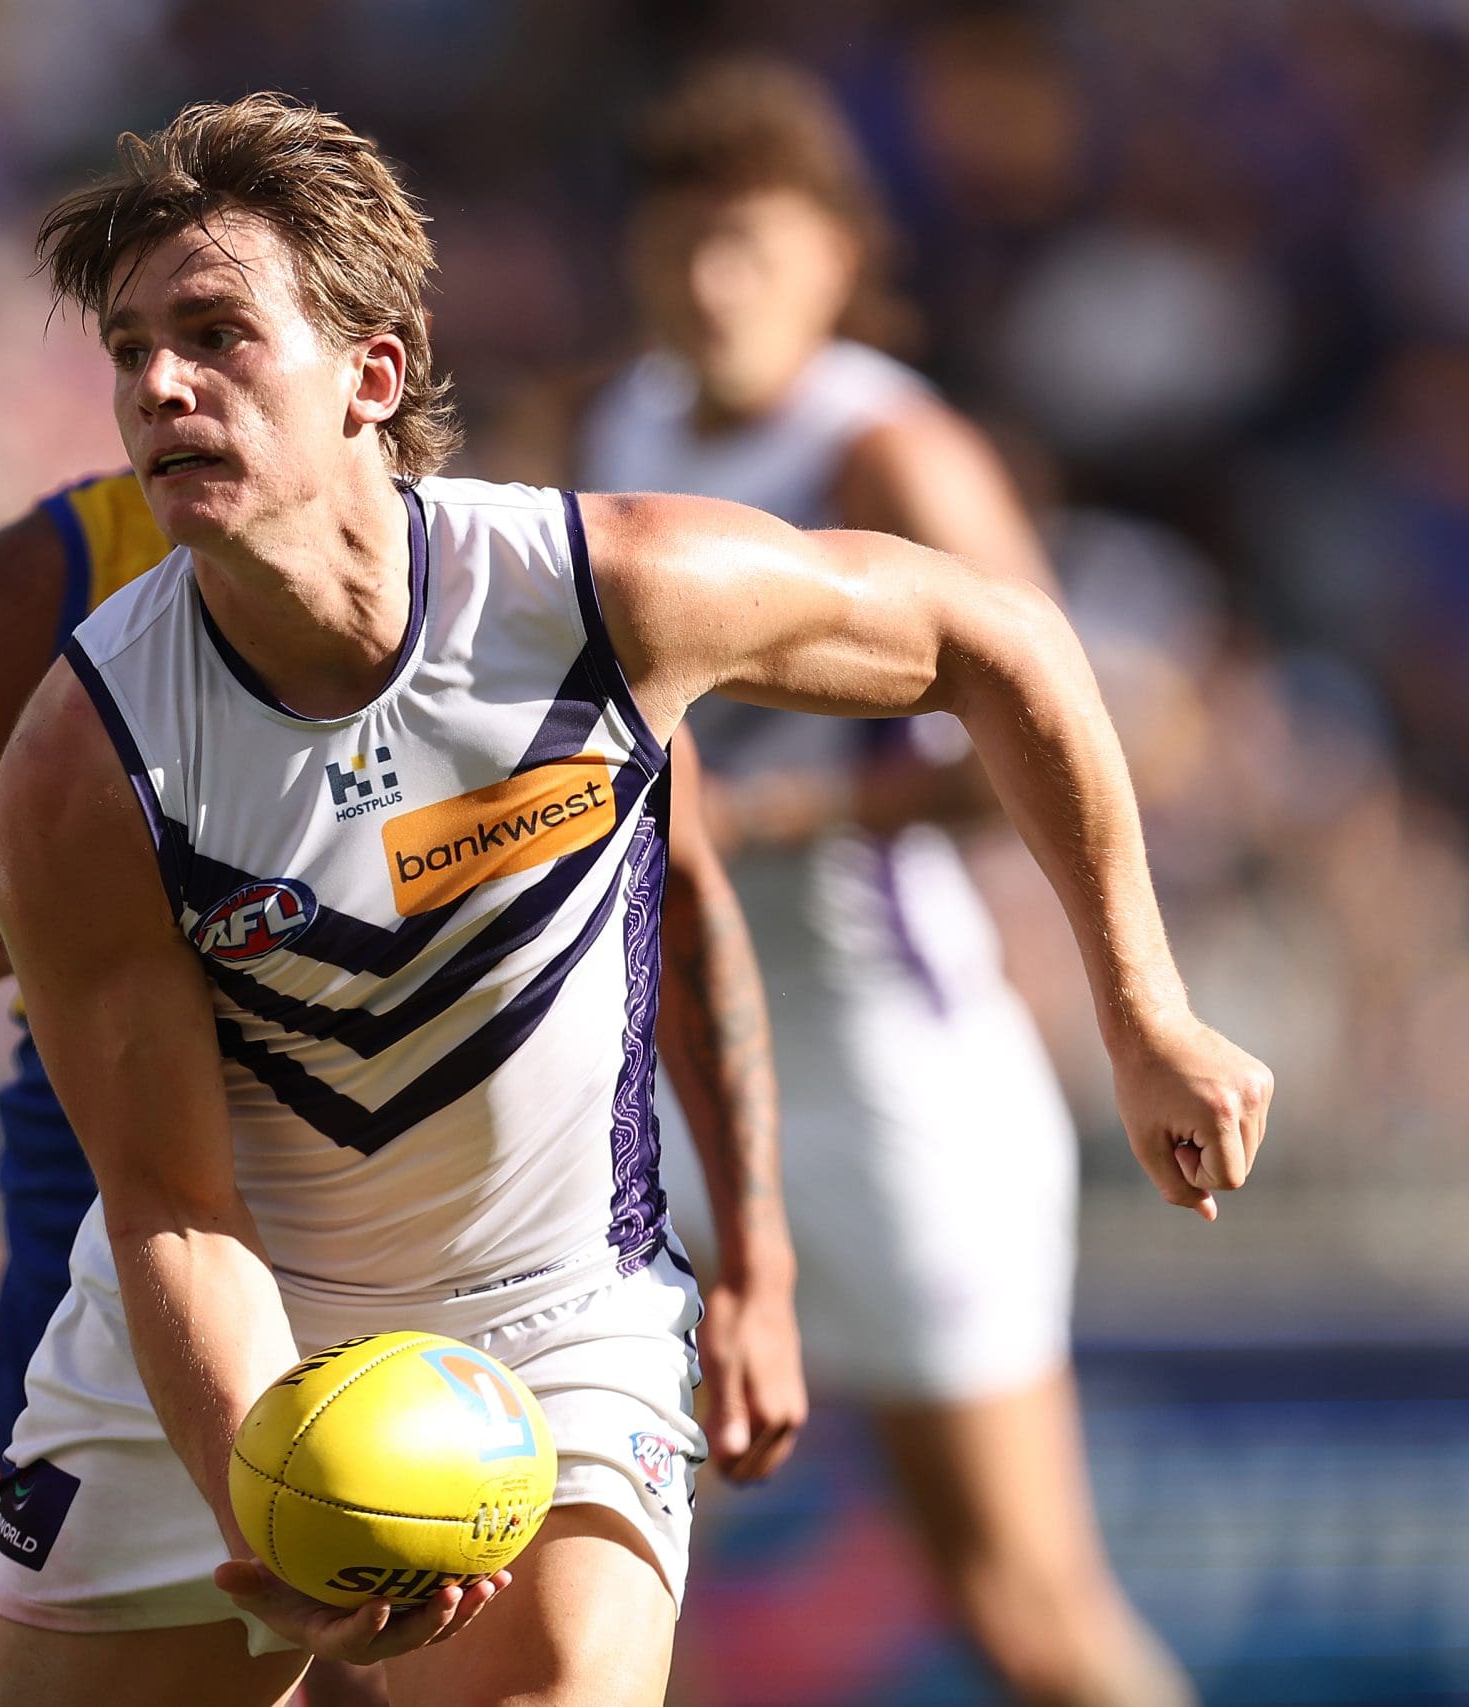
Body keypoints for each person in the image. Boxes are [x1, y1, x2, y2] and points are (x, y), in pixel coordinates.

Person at [0, 94, 1269, 1707]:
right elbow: (170, 1212)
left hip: (549, 1322)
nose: (159, 384)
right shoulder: (85, 760)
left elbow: (1004, 639)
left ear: (374, 373)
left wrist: (1143, 1009)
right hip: (220, 1345)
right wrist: (272, 1501)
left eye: (216, 333)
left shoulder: (591, 592)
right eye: (132, 348)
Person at [0, 490, 802, 1707]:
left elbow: (687, 896)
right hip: (125, 1205)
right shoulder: (59, 579)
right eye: (149, 344)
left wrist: (757, 1264)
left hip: (469, 1243)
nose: (183, 390)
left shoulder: (518, 587)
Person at [576, 60, 1192, 1706]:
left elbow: (1049, 737)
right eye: (683, 242)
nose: (714, 283)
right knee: (596, 1583)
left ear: (839, 257)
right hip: (689, 1081)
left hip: (897, 1092)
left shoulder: (890, 451)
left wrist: (768, 819)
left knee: (1023, 1613)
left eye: (753, 247)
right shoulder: (620, 426)